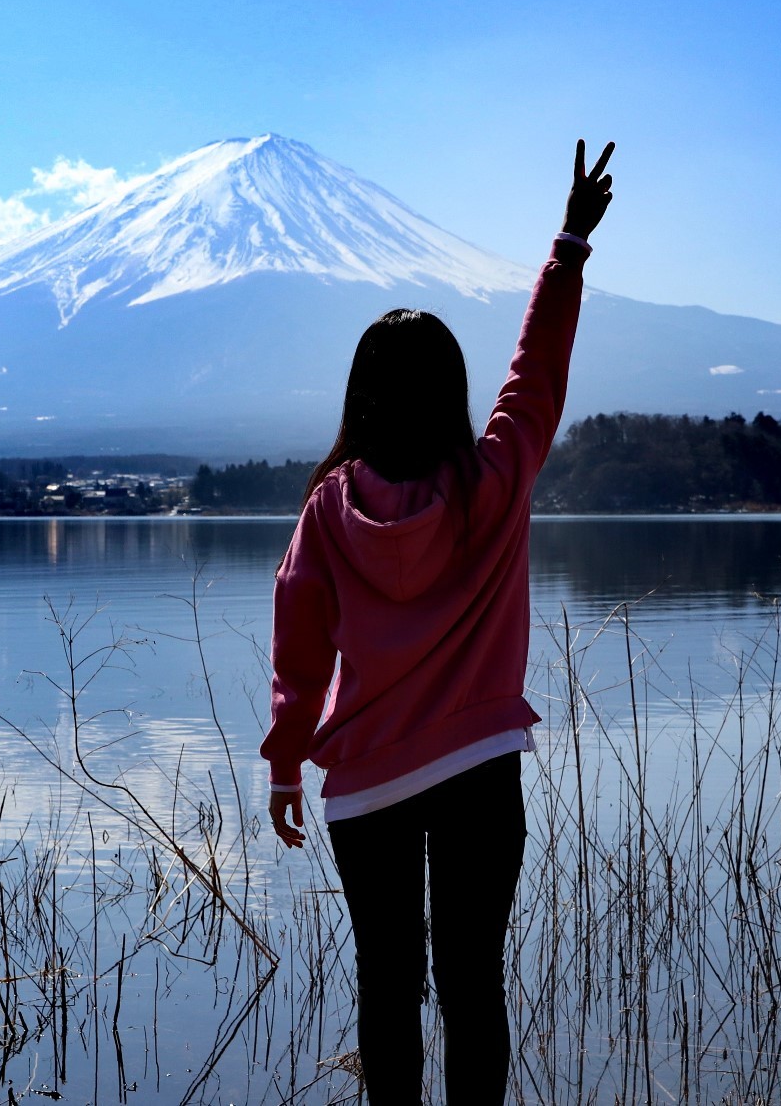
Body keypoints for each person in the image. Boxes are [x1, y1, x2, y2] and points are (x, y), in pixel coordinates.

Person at [261, 139, 616, 1105]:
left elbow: (298, 645)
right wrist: (568, 247)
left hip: (364, 785)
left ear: (362, 397)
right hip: (478, 771)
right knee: (472, 984)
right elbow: (534, 378)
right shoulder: (494, 481)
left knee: (387, 984)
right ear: (451, 393)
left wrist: (290, 757)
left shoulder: (329, 506)